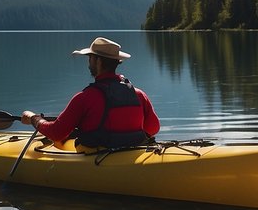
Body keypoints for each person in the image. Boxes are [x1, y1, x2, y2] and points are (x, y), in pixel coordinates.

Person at [21, 36, 160, 149]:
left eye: (90, 58)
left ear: (98, 61)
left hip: (98, 159)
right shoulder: (139, 95)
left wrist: (34, 119)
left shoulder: (84, 98)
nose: (89, 63)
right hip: (133, 154)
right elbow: (153, 128)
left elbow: (56, 133)